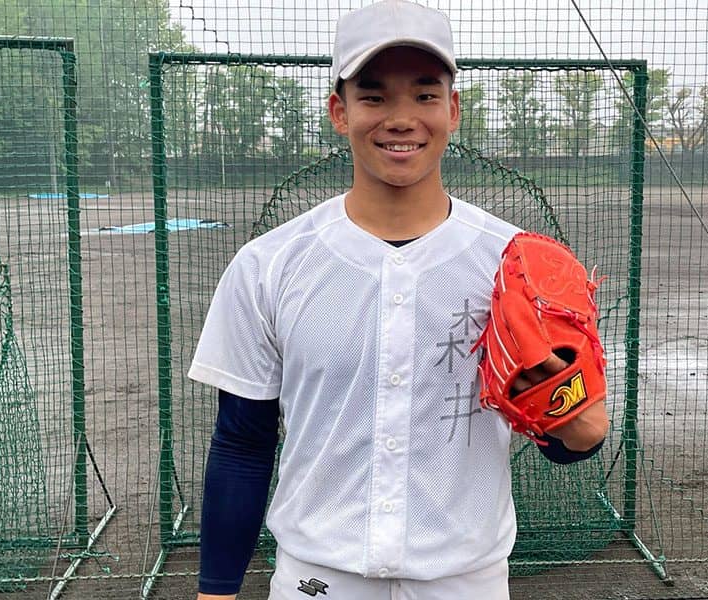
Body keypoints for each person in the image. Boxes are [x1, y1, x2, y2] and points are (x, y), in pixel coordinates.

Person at [189, 1, 609, 599]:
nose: (402, 118)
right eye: (374, 96)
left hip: (465, 581)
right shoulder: (268, 265)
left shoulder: (512, 263)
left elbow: (565, 436)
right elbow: (242, 442)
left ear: (453, 109)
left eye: (425, 94)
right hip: (318, 579)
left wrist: (579, 431)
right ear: (340, 112)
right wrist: (215, 591)